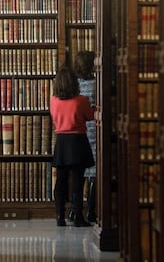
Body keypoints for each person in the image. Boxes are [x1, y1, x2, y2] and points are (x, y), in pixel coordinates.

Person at [50, 65, 95, 227]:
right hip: (77, 141)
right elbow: (90, 116)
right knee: (77, 182)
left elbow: (54, 117)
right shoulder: (81, 101)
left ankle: (59, 216)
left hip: (61, 142)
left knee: (60, 181)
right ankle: (77, 217)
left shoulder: (53, 100)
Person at [71, 50, 97, 223]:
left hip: (78, 128)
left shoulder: (74, 86)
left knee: (78, 172)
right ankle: (92, 211)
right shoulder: (97, 83)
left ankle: (75, 210)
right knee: (94, 172)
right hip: (94, 127)